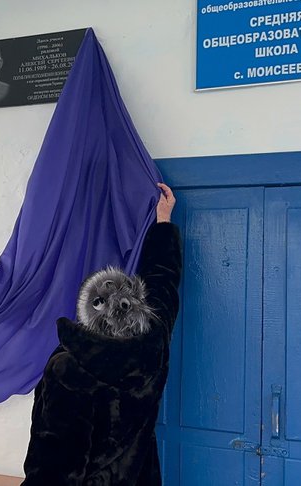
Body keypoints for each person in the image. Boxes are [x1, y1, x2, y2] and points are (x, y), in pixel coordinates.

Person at [22, 183, 182, 485]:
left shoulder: (68, 369)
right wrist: (163, 221)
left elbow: (53, 465)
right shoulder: (153, 342)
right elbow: (163, 281)